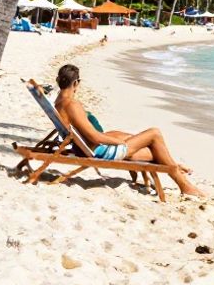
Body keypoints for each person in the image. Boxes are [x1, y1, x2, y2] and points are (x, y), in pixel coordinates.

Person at [51, 64, 204, 196]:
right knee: (154, 134)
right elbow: (94, 137)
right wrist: (119, 143)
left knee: (132, 138)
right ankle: (185, 185)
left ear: (59, 81)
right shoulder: (72, 104)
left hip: (83, 146)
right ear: (76, 82)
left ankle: (176, 167)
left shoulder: (59, 101)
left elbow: (89, 135)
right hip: (95, 150)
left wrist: (119, 139)